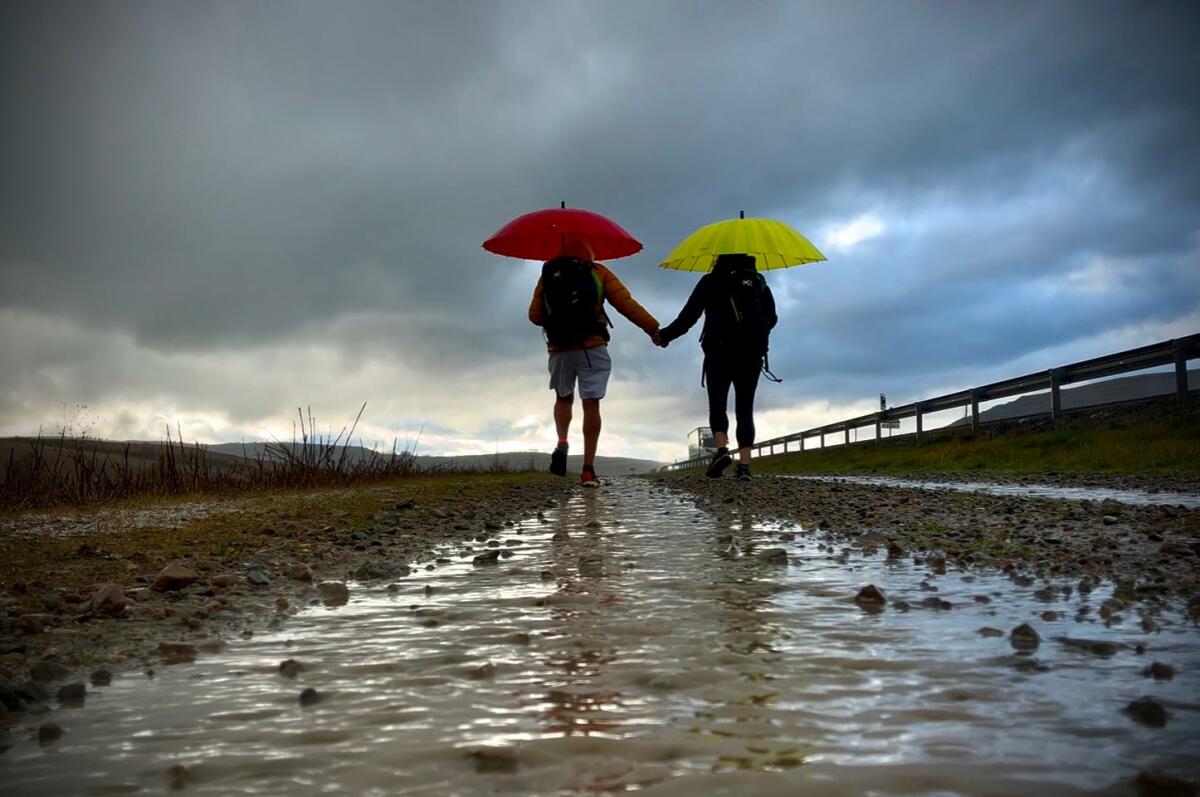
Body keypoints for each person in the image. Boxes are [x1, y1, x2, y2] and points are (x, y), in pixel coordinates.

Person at [529, 255, 659, 487]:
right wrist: (653, 328)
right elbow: (625, 303)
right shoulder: (598, 272)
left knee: (563, 397)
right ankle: (588, 471)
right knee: (591, 404)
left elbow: (535, 316)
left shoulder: (548, 272)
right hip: (592, 346)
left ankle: (562, 441)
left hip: (559, 348)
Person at [655, 253, 777, 481]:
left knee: (718, 404)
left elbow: (689, 316)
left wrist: (664, 336)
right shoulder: (759, 281)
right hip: (751, 355)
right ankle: (745, 466)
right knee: (745, 408)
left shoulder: (710, 281)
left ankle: (721, 451)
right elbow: (772, 318)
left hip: (718, 352)